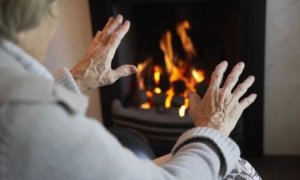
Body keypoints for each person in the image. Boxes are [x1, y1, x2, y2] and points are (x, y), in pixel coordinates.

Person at [0, 0, 260, 179]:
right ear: (23, 25)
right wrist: (212, 130)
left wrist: (76, 81)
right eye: (52, 7)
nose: (55, 17)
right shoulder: (28, 119)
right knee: (234, 168)